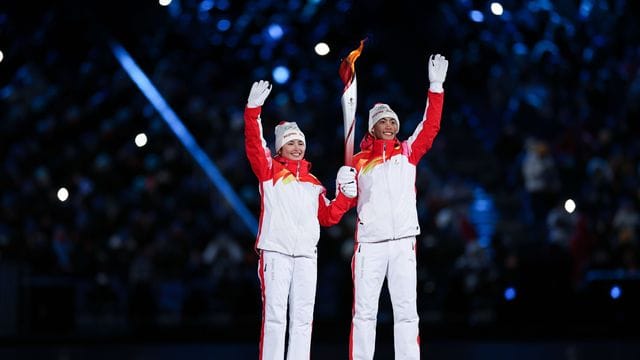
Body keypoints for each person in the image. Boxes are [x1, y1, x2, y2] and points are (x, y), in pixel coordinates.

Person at [244, 80, 357, 360]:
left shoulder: (313, 182)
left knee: (303, 319)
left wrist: (347, 195)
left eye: (300, 143)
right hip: (277, 252)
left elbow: (329, 217)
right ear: (280, 147)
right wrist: (252, 111)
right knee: (275, 318)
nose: (296, 147)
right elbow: (255, 145)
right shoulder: (269, 171)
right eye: (290, 142)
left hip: (307, 255)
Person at [346, 54, 449, 360]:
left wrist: (436, 87)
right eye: (383, 122)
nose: (389, 125)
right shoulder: (357, 162)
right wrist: (344, 187)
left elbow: (430, 126)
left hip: (403, 242)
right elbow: (345, 203)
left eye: (393, 121)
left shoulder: (408, 151)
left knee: (406, 312)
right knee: (364, 314)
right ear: (372, 128)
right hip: (369, 244)